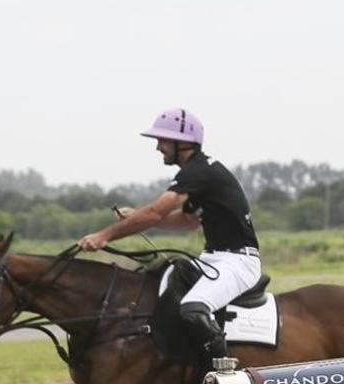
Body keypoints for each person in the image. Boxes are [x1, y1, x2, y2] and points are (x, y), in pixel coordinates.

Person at [78, 108, 261, 370]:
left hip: (238, 263)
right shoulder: (196, 173)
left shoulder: (197, 171)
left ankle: (225, 376)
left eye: (162, 140)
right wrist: (138, 216)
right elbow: (187, 222)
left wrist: (104, 236)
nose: (158, 147)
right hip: (213, 258)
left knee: (193, 308)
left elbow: (155, 213)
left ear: (183, 142)